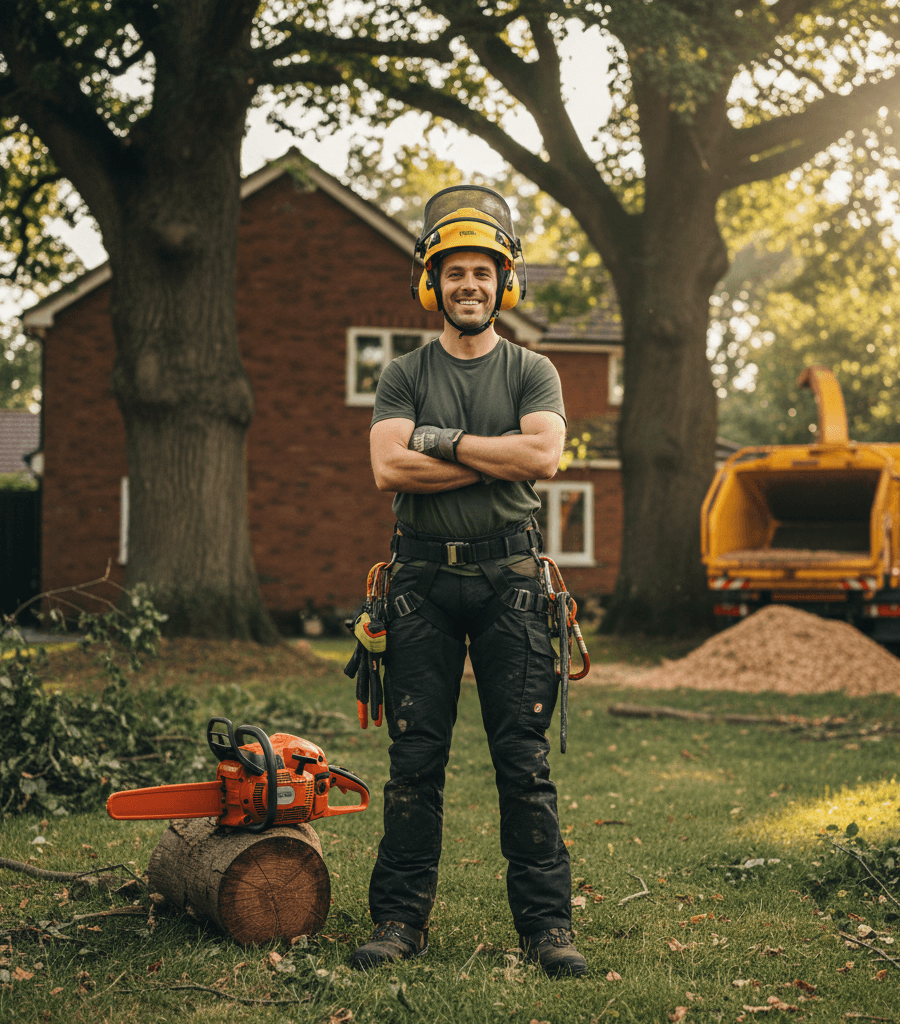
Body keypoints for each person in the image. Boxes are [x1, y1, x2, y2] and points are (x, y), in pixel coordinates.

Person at [350, 185, 586, 978]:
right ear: (432, 284)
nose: (469, 287)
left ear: (504, 282)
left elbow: (544, 460)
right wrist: (493, 454)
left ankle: (548, 928)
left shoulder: (534, 370)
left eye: (483, 273)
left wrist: (444, 444)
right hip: (419, 585)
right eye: (454, 274)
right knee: (415, 761)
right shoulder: (401, 374)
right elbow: (389, 467)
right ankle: (398, 921)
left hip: (513, 586)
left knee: (524, 762)